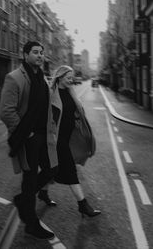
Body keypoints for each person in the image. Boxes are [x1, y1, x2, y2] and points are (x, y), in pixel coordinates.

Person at [0, 41, 58, 240]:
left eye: (42, 52)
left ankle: (23, 199)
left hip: (44, 136)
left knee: (52, 168)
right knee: (30, 177)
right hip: (28, 138)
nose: (40, 55)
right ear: (25, 55)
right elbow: (6, 112)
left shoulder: (42, 78)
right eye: (35, 52)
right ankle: (31, 224)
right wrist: (27, 134)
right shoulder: (14, 78)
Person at [40, 65, 101, 218]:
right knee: (70, 171)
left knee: (51, 169)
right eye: (68, 78)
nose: (71, 80)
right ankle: (83, 205)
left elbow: (76, 110)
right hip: (56, 139)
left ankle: (42, 192)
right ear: (60, 77)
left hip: (69, 136)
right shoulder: (50, 93)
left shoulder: (70, 91)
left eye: (72, 77)